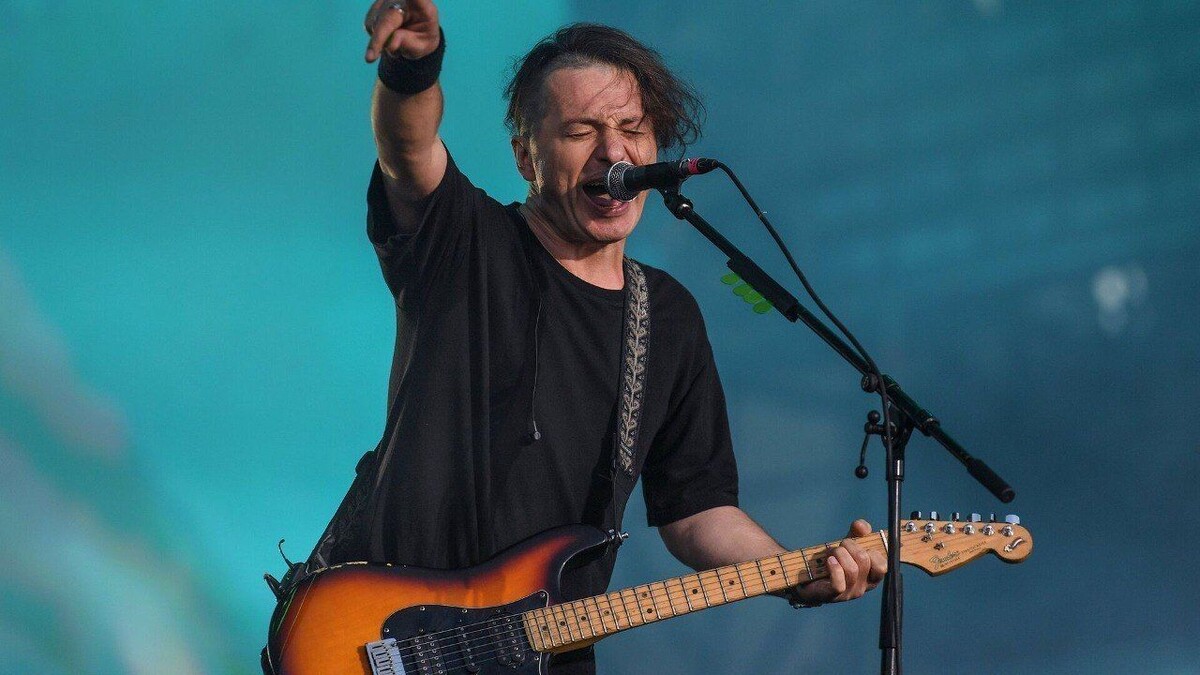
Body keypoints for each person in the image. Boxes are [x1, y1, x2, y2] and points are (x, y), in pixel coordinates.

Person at [351, 1, 887, 671]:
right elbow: (407, 151)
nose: (613, 152)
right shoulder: (467, 243)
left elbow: (697, 512)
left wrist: (797, 572)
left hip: (547, 655)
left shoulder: (667, 316)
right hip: (390, 635)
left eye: (632, 129)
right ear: (526, 156)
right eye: (581, 131)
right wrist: (413, 67)